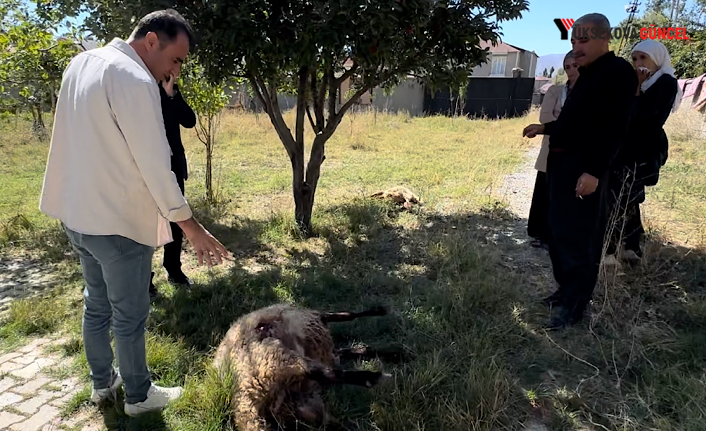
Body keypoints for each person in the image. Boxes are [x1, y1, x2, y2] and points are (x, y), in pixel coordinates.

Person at [39, 9, 231, 416]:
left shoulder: (81, 63)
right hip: (118, 222)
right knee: (129, 315)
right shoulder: (135, 79)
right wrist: (191, 227)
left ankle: (102, 386)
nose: (175, 68)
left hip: (78, 214)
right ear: (150, 41)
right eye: (176, 58)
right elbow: (155, 164)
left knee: (97, 305)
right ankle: (140, 397)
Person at [522, 13, 638, 329]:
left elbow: (615, 128)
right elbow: (575, 124)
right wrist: (544, 127)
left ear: (604, 38)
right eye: (573, 40)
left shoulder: (618, 72)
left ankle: (574, 306)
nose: (577, 46)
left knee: (580, 239)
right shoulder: (587, 74)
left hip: (584, 171)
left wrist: (594, 171)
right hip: (561, 167)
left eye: (584, 39)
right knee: (558, 233)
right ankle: (565, 291)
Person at [604, 39, 680, 265]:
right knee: (627, 196)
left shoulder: (665, 82)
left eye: (643, 58)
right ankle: (629, 247)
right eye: (634, 58)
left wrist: (636, 87)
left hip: (642, 150)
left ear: (656, 59)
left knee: (621, 196)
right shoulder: (645, 82)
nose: (637, 63)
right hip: (627, 148)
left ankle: (615, 249)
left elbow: (643, 117)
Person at [149, 73, 197, 296]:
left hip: (172, 165)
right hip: (146, 168)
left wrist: (171, 94)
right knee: (146, 224)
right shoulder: (140, 88)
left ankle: (174, 270)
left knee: (176, 220)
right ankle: (144, 280)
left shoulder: (168, 90)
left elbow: (189, 120)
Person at [527, 50, 580, 250]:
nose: (571, 70)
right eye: (567, 67)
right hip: (551, 150)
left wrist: (563, 119)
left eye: (575, 65)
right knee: (546, 194)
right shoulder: (556, 91)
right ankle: (542, 235)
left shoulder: (590, 92)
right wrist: (566, 122)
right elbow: (545, 118)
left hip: (576, 155)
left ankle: (563, 238)